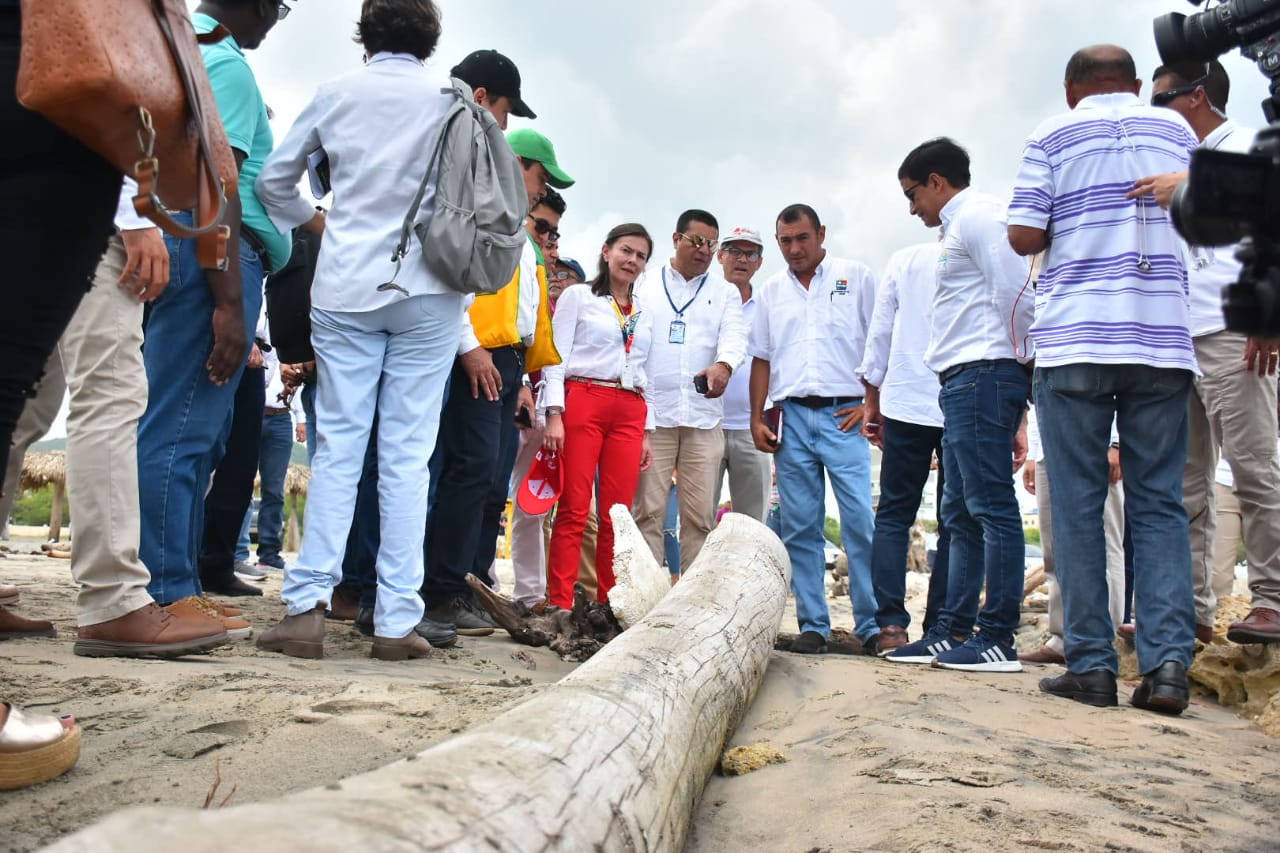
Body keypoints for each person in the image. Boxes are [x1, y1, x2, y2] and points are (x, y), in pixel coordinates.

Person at [254, 0, 458, 661]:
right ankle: (397, 620)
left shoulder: (336, 93)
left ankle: (308, 607)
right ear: (429, 36)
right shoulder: (451, 97)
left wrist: (317, 222)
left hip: (347, 283)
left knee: (340, 449)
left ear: (365, 34)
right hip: (431, 287)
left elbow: (273, 181)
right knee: (408, 455)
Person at [1009, 45, 1200, 712]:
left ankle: (1092, 665)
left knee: (1081, 506)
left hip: (1078, 339)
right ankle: (1169, 667)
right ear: (1138, 84)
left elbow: (1024, 234)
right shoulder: (1176, 130)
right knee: (1158, 502)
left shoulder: (1053, 133)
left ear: (1071, 91)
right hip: (1160, 337)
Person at [136, 0, 293, 613]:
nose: (276, 20)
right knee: (182, 428)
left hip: (193, 248)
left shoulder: (184, 46)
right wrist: (229, 300)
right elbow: (213, 178)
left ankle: (176, 585)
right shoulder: (222, 60)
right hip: (213, 257)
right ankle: (166, 592)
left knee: (189, 428)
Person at [1130, 60, 1280, 645]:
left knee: (1253, 470)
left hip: (1233, 330)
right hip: (1177, 337)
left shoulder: (1246, 145)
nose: (1152, 111)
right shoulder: (1170, 162)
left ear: (1194, 97)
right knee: (1185, 483)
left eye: (1160, 100)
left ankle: (1271, 599)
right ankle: (1188, 610)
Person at [883, 138, 1032, 673]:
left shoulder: (980, 217)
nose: (911, 206)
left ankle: (997, 637)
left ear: (937, 181)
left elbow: (1017, 292)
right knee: (958, 513)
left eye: (913, 193)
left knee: (991, 507)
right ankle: (950, 630)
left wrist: (1016, 371)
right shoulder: (957, 227)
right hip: (963, 379)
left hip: (985, 373)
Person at [422, 128, 571, 631]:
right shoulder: (486, 215)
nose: (541, 190)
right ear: (515, 162)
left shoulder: (520, 238)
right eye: (539, 176)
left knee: (485, 478)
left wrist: (526, 379)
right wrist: (473, 348)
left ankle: (464, 585)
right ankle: (441, 590)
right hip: (478, 355)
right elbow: (458, 288)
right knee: (467, 470)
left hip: (507, 361)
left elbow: (527, 314)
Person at [749, 204, 878, 655]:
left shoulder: (856, 276)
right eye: (785, 241)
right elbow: (761, 357)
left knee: (859, 520)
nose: (794, 249)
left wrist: (870, 404)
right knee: (800, 525)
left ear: (821, 234)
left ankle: (873, 623)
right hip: (793, 417)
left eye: (802, 238)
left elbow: (879, 339)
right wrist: (755, 416)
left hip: (845, 413)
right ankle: (814, 626)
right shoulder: (769, 293)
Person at [541, 224, 656, 609]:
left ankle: (610, 603)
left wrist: (647, 432)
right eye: (626, 250)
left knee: (616, 515)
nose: (632, 260)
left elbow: (646, 372)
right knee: (574, 507)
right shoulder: (579, 297)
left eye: (640, 256)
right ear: (606, 252)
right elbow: (556, 356)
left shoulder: (643, 312)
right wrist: (554, 413)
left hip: (629, 408)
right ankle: (560, 601)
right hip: (584, 398)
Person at [633, 210, 747, 576]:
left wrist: (724, 365)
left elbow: (734, 334)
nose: (704, 251)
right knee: (647, 511)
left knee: (699, 517)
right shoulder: (645, 284)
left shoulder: (724, 291)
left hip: (701, 416)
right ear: (676, 239)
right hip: (654, 416)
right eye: (696, 241)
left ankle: (691, 601)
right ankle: (646, 600)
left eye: (711, 245)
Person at [857, 240, 951, 656]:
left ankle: (892, 625)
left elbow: (881, 333)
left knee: (894, 514)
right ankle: (944, 625)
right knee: (957, 520)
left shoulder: (905, 259)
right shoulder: (993, 243)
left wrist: (872, 399)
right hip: (963, 396)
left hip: (907, 396)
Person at [1020, 406, 1126, 665]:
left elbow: (1122, 381)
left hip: (1095, 440)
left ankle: (1105, 637)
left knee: (1105, 542)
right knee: (1053, 549)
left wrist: (1116, 442)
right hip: (1048, 444)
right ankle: (1062, 637)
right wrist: (1034, 453)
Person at [509, 253, 583, 608]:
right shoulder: (529, 300)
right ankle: (487, 582)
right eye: (555, 272)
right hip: (512, 405)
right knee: (492, 495)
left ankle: (530, 593)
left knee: (533, 508)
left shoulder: (581, 317)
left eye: (569, 275)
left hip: (551, 417)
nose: (558, 278)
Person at [713, 226, 772, 523]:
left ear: (760, 262)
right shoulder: (704, 301)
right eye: (734, 251)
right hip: (705, 426)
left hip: (754, 428)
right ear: (719, 255)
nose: (741, 259)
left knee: (754, 525)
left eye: (750, 253)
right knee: (697, 519)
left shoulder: (768, 306)